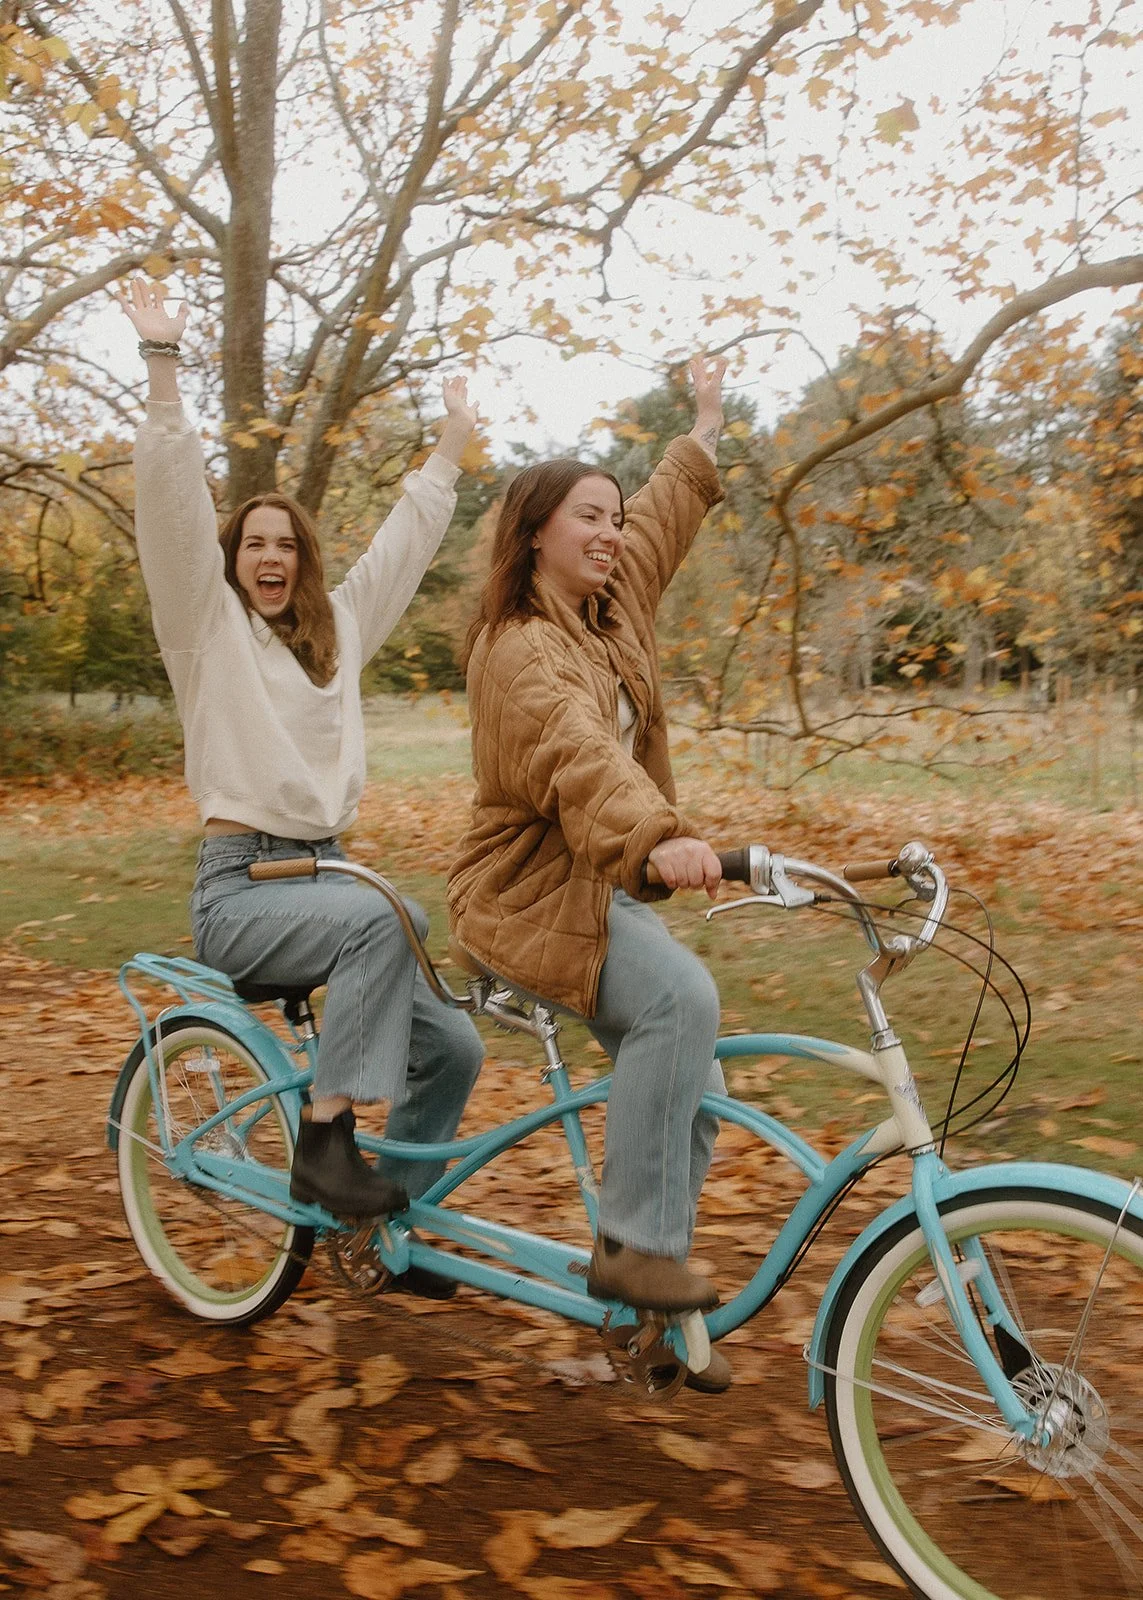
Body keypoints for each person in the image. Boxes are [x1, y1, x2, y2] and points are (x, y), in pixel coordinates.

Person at [120, 277, 484, 1274]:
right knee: (380, 914)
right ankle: (326, 1139)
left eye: (286, 545)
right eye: (253, 545)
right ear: (232, 560)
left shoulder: (338, 632)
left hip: (328, 877)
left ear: (305, 561)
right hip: (241, 890)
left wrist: (452, 442)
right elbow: (173, 514)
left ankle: (384, 1230)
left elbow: (406, 542)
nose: (269, 557)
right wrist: (162, 367)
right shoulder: (207, 629)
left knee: (455, 1047)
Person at [448, 356, 733, 1387]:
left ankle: (651, 1321)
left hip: (595, 889)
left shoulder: (614, 612)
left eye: (613, 516)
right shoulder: (521, 650)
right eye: (587, 517)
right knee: (680, 1003)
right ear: (535, 532)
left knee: (699, 1072)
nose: (611, 532)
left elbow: (664, 518)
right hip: (519, 894)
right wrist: (657, 834)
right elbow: (581, 757)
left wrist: (701, 423)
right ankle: (631, 1251)